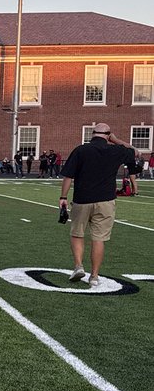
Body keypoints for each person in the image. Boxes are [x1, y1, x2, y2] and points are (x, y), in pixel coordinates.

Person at [60, 122, 138, 287]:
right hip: (105, 200)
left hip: (82, 198)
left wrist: (63, 197)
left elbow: (68, 176)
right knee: (98, 239)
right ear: (108, 136)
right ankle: (94, 276)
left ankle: (78, 266)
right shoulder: (116, 150)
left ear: (92, 134)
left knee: (77, 234)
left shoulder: (81, 150)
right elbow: (134, 152)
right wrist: (116, 140)